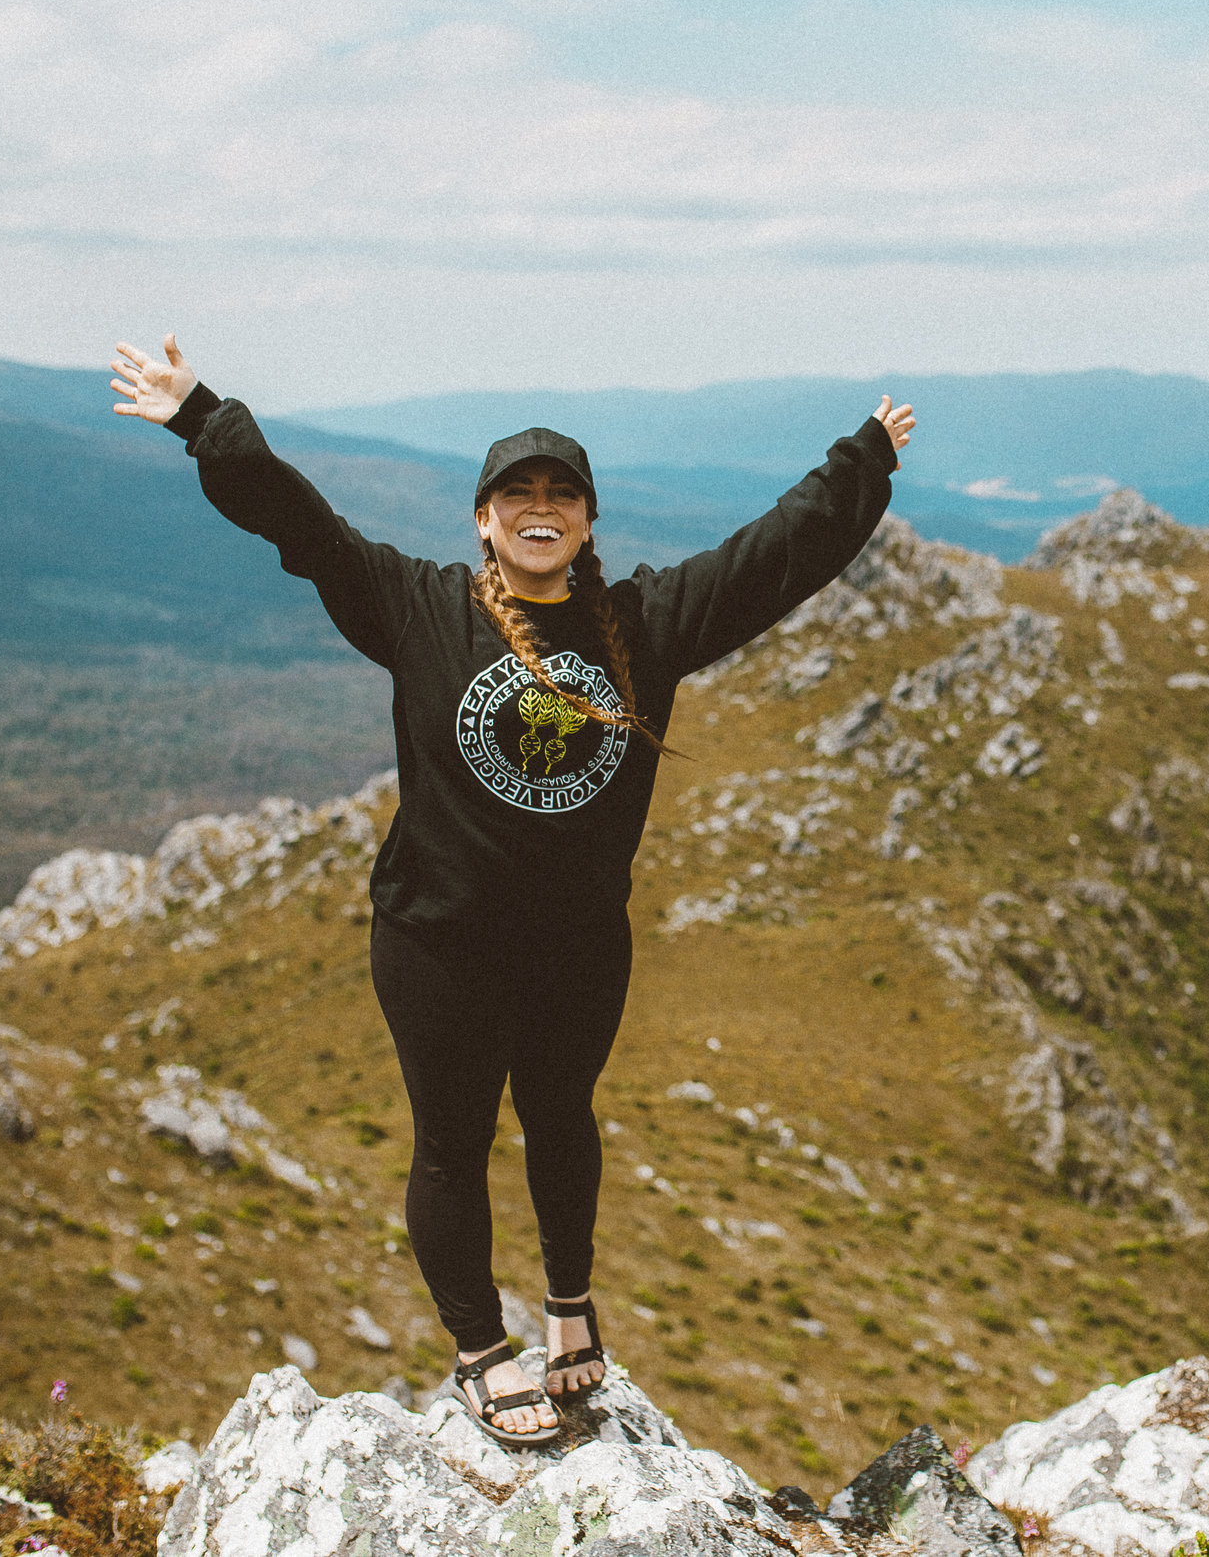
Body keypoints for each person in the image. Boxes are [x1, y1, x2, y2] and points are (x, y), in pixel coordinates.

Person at [109, 335, 914, 1447]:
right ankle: (481, 1348)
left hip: (578, 946)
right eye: (516, 493)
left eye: (562, 494)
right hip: (438, 941)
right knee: (452, 1142)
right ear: (484, 520)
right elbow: (302, 525)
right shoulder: (420, 609)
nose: (540, 507)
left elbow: (773, 556)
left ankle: (570, 1304)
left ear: (586, 522)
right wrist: (203, 416)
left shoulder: (641, 623)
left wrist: (863, 457)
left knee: (560, 1119)